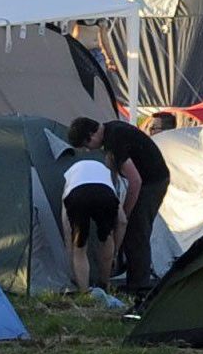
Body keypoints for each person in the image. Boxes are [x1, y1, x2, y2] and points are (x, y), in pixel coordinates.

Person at [72, 115, 170, 293]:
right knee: (131, 229)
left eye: (86, 146)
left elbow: (135, 181)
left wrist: (125, 212)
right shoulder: (110, 130)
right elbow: (113, 168)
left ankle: (139, 287)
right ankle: (132, 277)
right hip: (149, 179)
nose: (88, 150)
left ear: (91, 136)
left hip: (153, 182)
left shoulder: (115, 138)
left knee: (136, 230)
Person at [59, 139, 126, 304]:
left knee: (80, 248)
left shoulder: (70, 176)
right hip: (105, 195)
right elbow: (122, 221)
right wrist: (116, 251)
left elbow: (66, 222)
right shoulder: (106, 175)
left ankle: (84, 293)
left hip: (77, 195)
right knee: (106, 238)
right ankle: (105, 285)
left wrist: (71, 251)